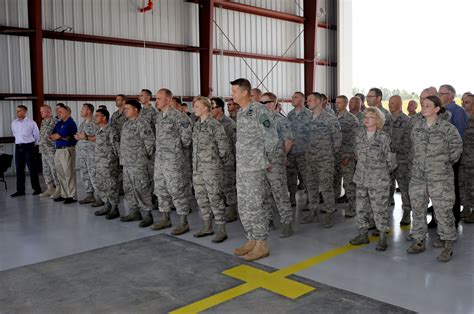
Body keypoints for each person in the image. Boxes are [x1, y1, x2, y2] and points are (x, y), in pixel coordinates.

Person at [407, 95, 462, 262]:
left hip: (440, 178)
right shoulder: (416, 128)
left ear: (437, 109)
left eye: (427, 106)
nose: (423, 108)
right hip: (418, 177)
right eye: (422, 105)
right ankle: (419, 240)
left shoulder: (447, 129)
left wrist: (441, 164)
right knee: (417, 209)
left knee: (443, 211)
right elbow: (413, 150)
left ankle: (448, 244)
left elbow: (456, 149)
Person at [232, 78, 279, 261]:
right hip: (242, 166)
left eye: (235, 91)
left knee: (255, 204)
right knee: (244, 205)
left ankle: (262, 243)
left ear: (245, 92)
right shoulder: (241, 113)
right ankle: (251, 238)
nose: (233, 94)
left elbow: (272, 137)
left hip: (254, 166)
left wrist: (265, 159)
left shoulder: (259, 110)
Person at [349, 107, 396, 251]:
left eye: (370, 117)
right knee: (361, 208)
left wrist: (380, 172)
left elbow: (391, 161)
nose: (366, 119)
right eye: (366, 116)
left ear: (378, 120)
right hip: (361, 178)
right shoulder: (359, 135)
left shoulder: (383, 137)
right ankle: (363, 234)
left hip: (378, 180)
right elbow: (357, 155)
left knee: (379, 209)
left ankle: (382, 237)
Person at [150, 88, 193, 235]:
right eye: (156, 99)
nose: (156, 101)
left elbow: (187, 140)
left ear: (168, 99)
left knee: (177, 190)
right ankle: (165, 218)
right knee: (161, 190)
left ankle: (183, 222)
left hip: (174, 162)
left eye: (159, 98)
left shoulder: (180, 117)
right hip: (160, 160)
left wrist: (175, 152)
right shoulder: (159, 117)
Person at [191, 96, 231, 243]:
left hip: (211, 169)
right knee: (201, 199)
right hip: (197, 169)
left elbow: (224, 148)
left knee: (215, 198)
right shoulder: (196, 125)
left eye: (196, 106)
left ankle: (221, 230)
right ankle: (207, 226)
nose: (193, 109)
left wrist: (217, 164)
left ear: (205, 108)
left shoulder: (215, 125)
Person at [301, 92, 341, 228]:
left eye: (310, 100)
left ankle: (329, 212)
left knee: (326, 187)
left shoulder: (330, 119)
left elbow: (337, 140)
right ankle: (313, 211)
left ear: (318, 101)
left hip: (325, 160)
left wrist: (329, 155)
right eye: (307, 100)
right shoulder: (307, 119)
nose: (307, 102)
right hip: (310, 159)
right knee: (311, 186)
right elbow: (304, 139)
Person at [260, 92, 295, 237]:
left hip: (275, 162)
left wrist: (281, 156)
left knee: (280, 193)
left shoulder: (280, 120)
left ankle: (286, 223)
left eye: (263, 103)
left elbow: (289, 141)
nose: (260, 106)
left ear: (271, 103)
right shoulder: (260, 119)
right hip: (262, 162)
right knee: (265, 194)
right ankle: (268, 220)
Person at [119, 100, 155, 228]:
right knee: (128, 189)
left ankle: (147, 215)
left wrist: (142, 159)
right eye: (124, 108)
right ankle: (134, 212)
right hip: (127, 163)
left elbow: (150, 144)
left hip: (138, 163)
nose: (125, 111)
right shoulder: (126, 124)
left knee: (141, 188)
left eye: (127, 108)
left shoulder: (142, 123)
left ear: (136, 110)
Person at [439, 84, 468, 227]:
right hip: (438, 159)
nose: (439, 95)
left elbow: (460, 136)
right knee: (440, 190)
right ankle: (438, 219)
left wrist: (451, 157)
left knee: (452, 188)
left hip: (451, 158)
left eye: (442, 93)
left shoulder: (458, 111)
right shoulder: (439, 111)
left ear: (450, 95)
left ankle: (454, 218)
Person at [211, 97, 238, 222]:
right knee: (217, 187)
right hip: (215, 162)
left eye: (213, 107)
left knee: (228, 187)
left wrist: (235, 163)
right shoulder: (211, 123)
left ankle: (232, 210)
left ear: (219, 109)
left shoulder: (229, 124)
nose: (210, 110)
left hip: (227, 162)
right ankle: (220, 210)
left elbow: (235, 144)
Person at [93, 108, 121, 220]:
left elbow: (116, 147)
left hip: (109, 164)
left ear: (104, 117)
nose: (96, 118)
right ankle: (107, 205)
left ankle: (115, 208)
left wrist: (119, 163)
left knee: (111, 186)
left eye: (98, 116)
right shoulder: (99, 130)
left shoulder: (111, 130)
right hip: (100, 163)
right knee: (101, 185)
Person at [388, 95, 412, 225]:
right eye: (390, 102)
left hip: (401, 161)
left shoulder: (407, 121)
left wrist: (392, 147)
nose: (390, 105)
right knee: (386, 187)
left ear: (399, 104)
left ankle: (407, 212)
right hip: (386, 161)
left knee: (404, 188)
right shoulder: (385, 120)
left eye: (393, 103)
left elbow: (409, 143)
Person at [334, 95, 359, 217]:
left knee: (349, 183)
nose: (336, 104)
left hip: (346, 155)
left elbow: (356, 140)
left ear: (345, 104)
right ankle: (332, 203)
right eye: (336, 102)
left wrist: (349, 156)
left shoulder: (351, 119)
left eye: (339, 103)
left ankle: (353, 206)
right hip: (335, 155)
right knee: (335, 180)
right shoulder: (333, 118)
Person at [287, 92, 312, 209]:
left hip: (304, 152)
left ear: (302, 100)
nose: (292, 99)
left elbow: (313, 134)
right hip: (291, 152)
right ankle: (292, 197)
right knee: (291, 177)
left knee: (307, 177)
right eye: (292, 97)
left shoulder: (309, 115)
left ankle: (310, 199)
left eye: (295, 97)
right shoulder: (290, 115)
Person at [10, 105, 42, 197]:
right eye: (17, 111)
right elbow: (15, 134)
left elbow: (37, 136)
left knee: (32, 169)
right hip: (18, 147)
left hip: (29, 147)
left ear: (24, 112)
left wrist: (33, 147)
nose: (17, 113)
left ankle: (37, 189)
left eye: (19, 111)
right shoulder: (14, 123)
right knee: (19, 169)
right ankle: (20, 191)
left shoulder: (31, 123)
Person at [50, 103, 78, 204]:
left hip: (67, 150)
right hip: (58, 149)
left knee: (68, 173)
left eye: (61, 111)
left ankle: (72, 196)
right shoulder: (59, 123)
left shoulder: (71, 123)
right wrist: (61, 136)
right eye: (58, 112)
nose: (58, 113)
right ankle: (64, 194)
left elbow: (59, 136)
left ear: (68, 112)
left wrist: (59, 136)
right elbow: (52, 136)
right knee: (60, 173)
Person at [75, 103, 101, 206]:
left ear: (89, 111)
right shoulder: (82, 123)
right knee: (85, 176)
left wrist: (84, 137)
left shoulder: (95, 122)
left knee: (94, 176)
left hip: (92, 154)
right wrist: (78, 137)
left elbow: (98, 138)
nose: (81, 111)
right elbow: (82, 136)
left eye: (83, 109)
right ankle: (90, 195)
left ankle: (100, 198)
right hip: (82, 154)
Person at [38, 105, 59, 198]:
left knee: (54, 170)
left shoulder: (54, 122)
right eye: (40, 111)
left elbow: (56, 135)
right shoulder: (43, 121)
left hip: (51, 150)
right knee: (46, 170)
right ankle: (50, 188)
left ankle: (59, 189)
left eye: (43, 111)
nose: (41, 113)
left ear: (49, 112)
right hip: (44, 150)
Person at [461, 94, 474, 223]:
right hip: (462, 158)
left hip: (472, 160)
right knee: (463, 184)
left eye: (468, 102)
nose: (464, 104)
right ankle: (465, 208)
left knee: (472, 185)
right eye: (463, 102)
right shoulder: (463, 118)